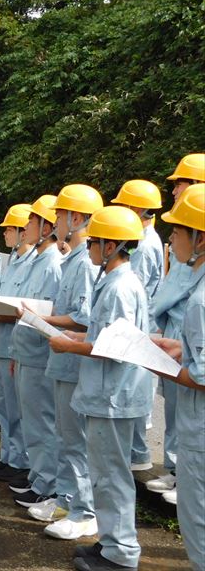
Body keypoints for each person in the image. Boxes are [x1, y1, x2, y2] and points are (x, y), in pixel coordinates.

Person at [49, 206, 151, 571]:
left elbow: (113, 348)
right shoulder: (113, 282)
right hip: (107, 394)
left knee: (111, 477)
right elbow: (105, 335)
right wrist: (80, 336)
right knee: (104, 474)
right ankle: (110, 544)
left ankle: (121, 553)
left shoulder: (120, 288)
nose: (89, 247)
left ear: (111, 246)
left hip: (113, 396)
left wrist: (69, 344)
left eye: (94, 242)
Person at [31, 185, 103, 540]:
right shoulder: (74, 259)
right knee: (64, 436)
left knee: (75, 439)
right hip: (61, 359)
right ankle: (66, 499)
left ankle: (83, 509)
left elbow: (85, 319)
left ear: (76, 219)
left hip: (74, 362)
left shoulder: (85, 265)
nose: (56, 221)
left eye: (60, 215)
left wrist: (41, 317)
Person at [146, 153, 204, 504]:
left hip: (190, 333)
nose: (175, 189)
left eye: (181, 182)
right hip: (179, 334)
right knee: (177, 414)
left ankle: (186, 476)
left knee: (191, 419)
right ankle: (176, 471)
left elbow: (175, 290)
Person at [152, 183, 205, 571]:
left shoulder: (201, 299)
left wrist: (156, 362)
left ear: (199, 238)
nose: (171, 238)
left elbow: (202, 375)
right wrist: (179, 350)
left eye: (178, 231)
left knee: (198, 521)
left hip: (200, 430)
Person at [7, 195, 63, 506]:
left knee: (42, 421)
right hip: (26, 350)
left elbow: (51, 313)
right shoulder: (36, 260)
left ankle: (48, 484)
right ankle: (39, 478)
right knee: (33, 420)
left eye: (32, 220)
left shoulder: (53, 263)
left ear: (46, 225)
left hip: (41, 354)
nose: (26, 226)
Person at [112, 179, 164, 472]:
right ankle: (138, 453)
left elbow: (138, 288)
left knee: (131, 392)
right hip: (144, 324)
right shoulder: (145, 239)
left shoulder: (143, 244)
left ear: (139, 208)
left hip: (140, 326)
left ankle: (138, 455)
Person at [0, 204, 34, 482]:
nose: (5, 233)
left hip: (14, 339)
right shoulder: (14, 259)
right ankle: (9, 456)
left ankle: (20, 460)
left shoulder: (33, 262)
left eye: (9, 229)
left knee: (16, 408)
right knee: (3, 405)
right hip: (1, 337)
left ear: (24, 232)